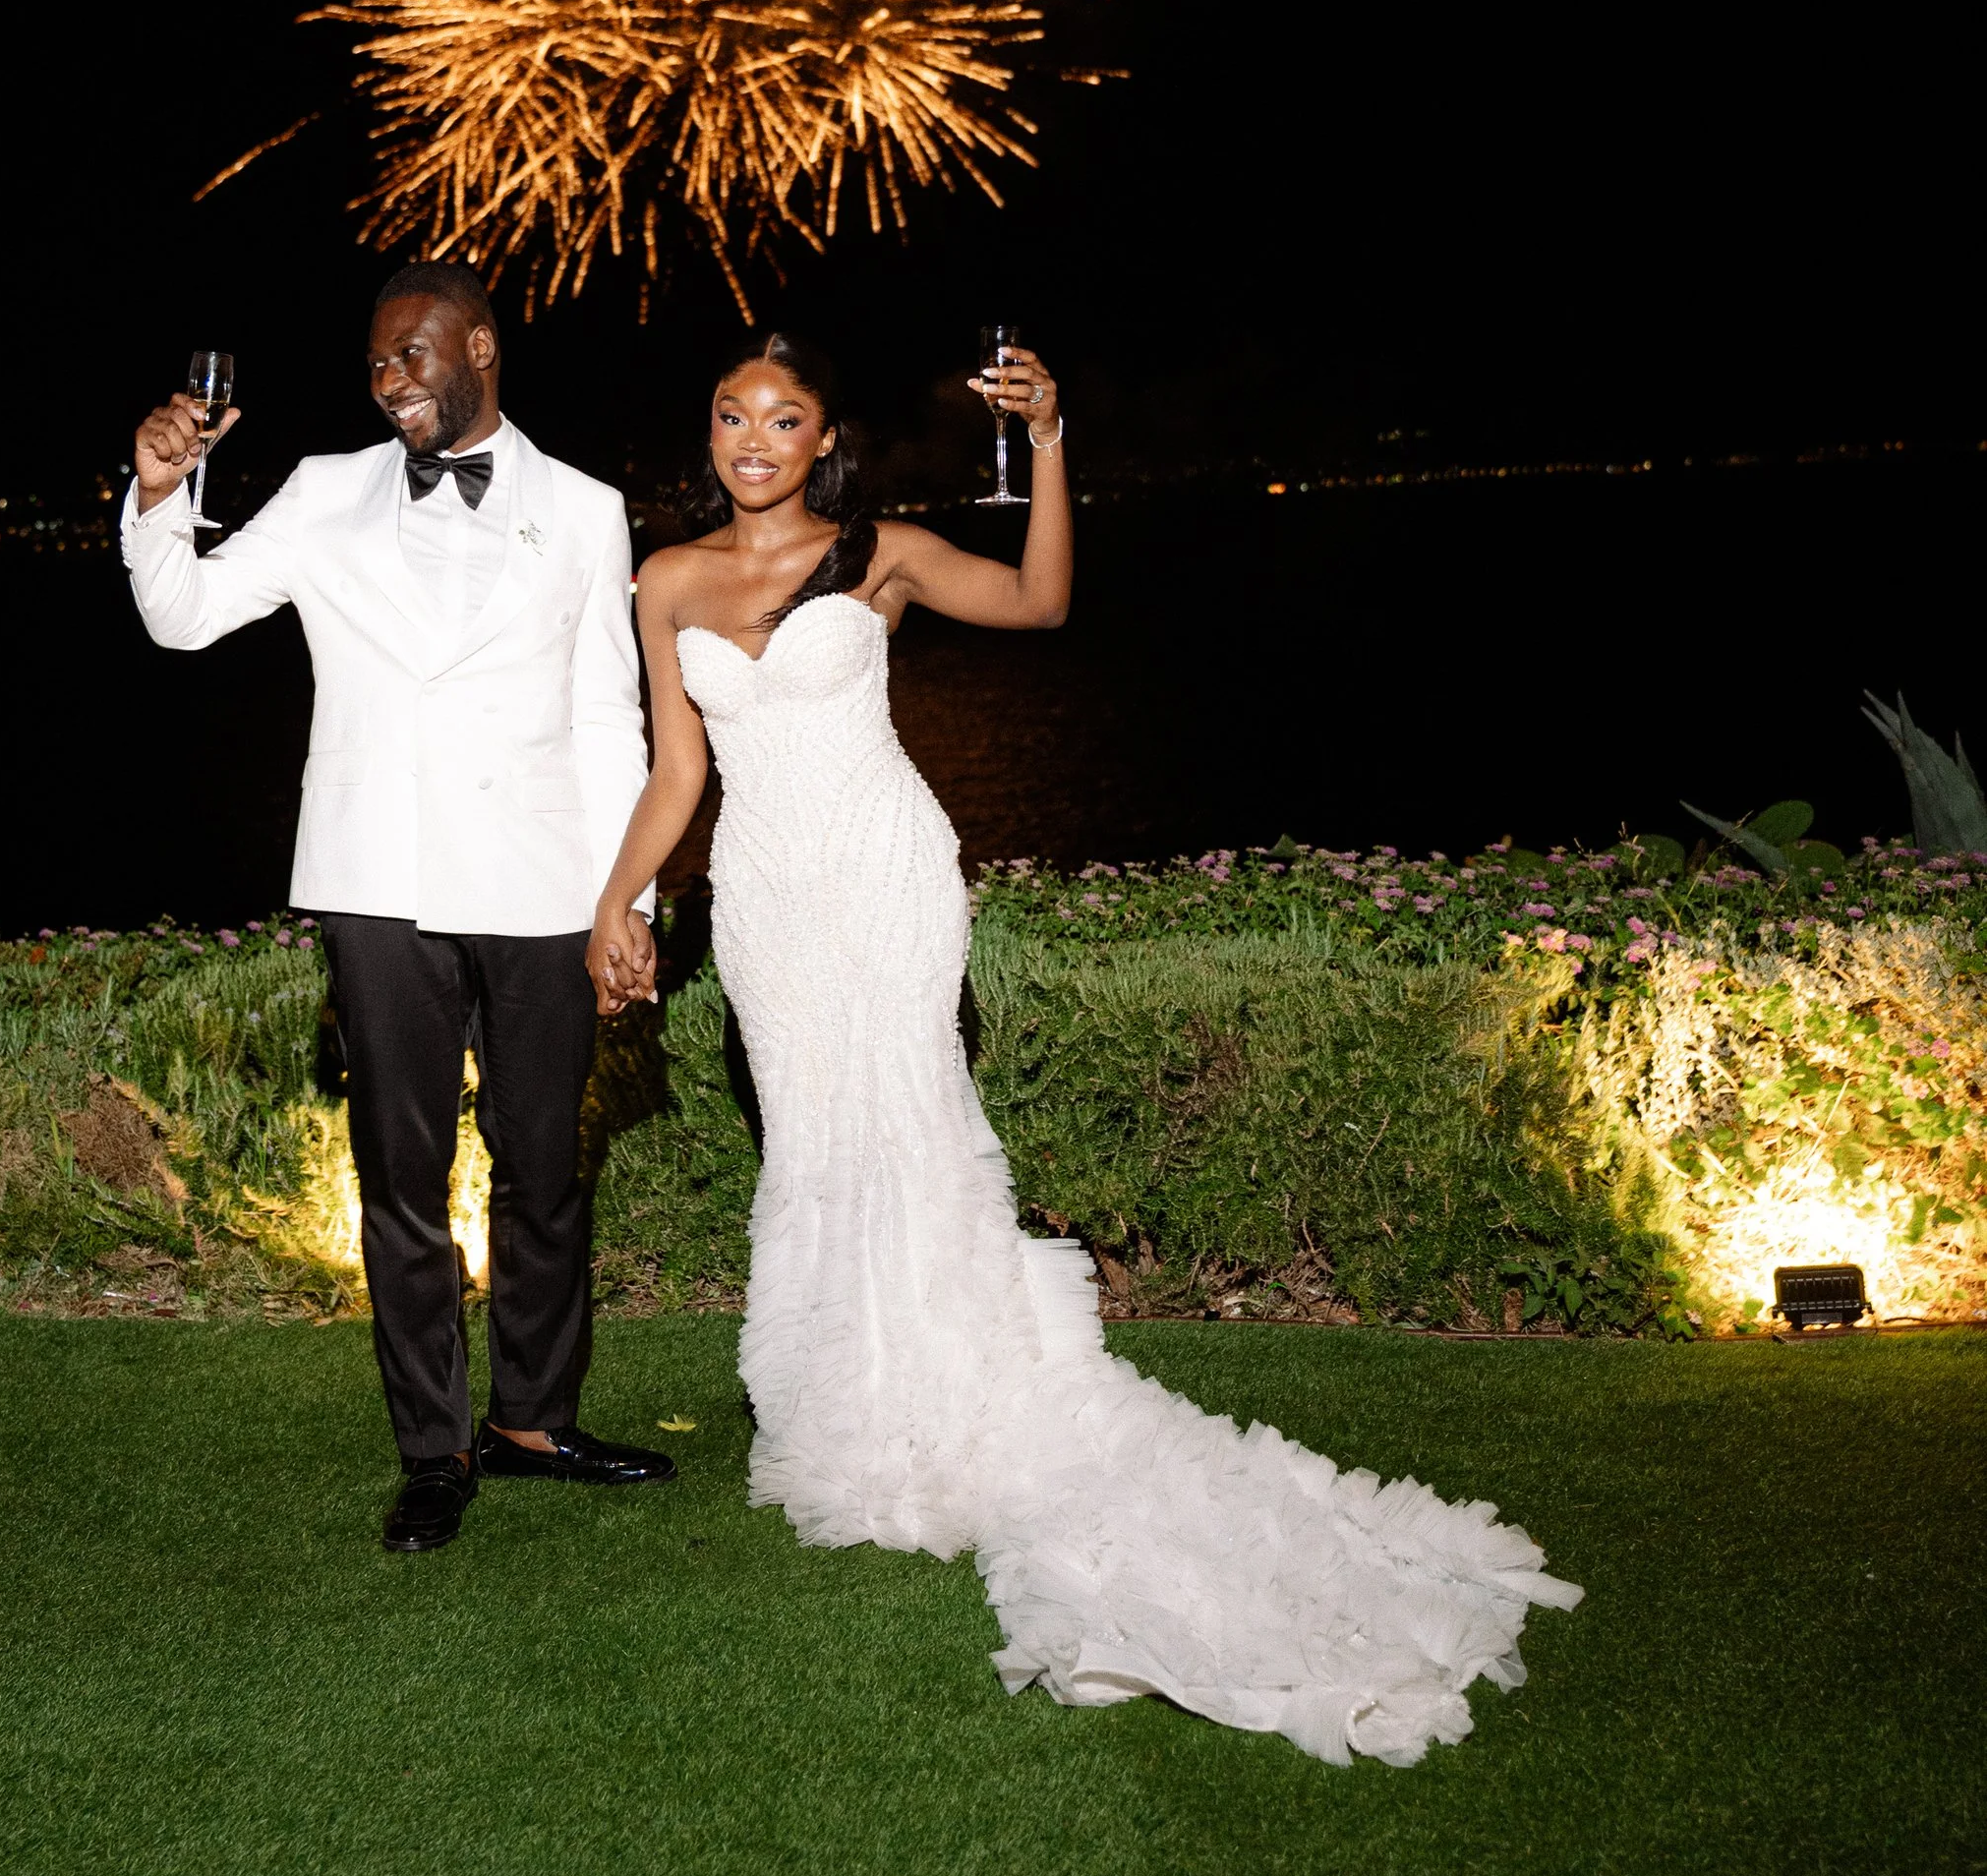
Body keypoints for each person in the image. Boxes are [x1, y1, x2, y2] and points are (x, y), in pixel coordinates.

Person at [588, 328, 1581, 1766]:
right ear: (710, 433)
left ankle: (954, 1398)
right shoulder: (668, 578)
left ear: (824, 438)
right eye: (732, 413)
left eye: (783, 417)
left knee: (912, 1119)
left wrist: (1049, 438)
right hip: (766, 902)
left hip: (886, 877)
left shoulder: (882, 554)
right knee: (812, 1141)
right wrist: (617, 898)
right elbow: (679, 766)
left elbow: (1042, 601)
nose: (754, 438)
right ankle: (848, 1406)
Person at [123, 263, 675, 1554]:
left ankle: (533, 1419)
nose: (388, 381)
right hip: (376, 885)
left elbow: (610, 715)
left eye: (411, 354)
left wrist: (627, 898)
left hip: (543, 883)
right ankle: (434, 1449)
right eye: (374, 362)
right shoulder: (324, 491)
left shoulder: (586, 508)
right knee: (401, 1178)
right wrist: (158, 496)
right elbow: (185, 619)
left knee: (545, 1169)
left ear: (479, 346)